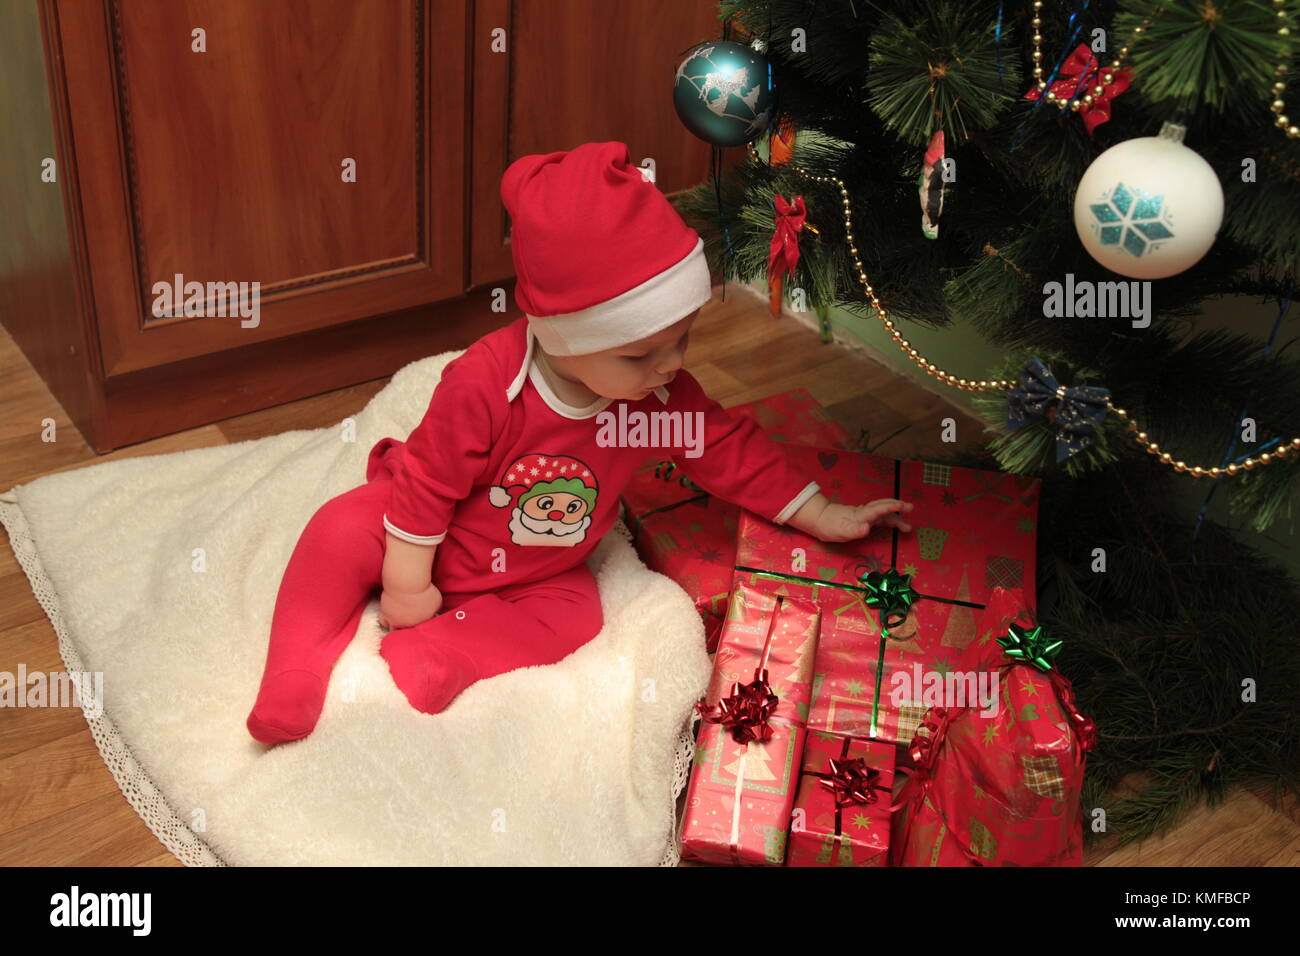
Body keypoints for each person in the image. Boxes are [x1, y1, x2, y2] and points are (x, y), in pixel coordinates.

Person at [245, 141, 914, 745]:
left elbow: (727, 449)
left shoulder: (657, 397)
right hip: (437, 535)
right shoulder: (485, 383)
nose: (671, 365)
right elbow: (426, 485)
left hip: (541, 567)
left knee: (575, 620)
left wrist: (820, 513)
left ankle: (448, 654)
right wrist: (408, 585)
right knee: (338, 529)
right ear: (566, 337)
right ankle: (294, 672)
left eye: (681, 340)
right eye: (641, 353)